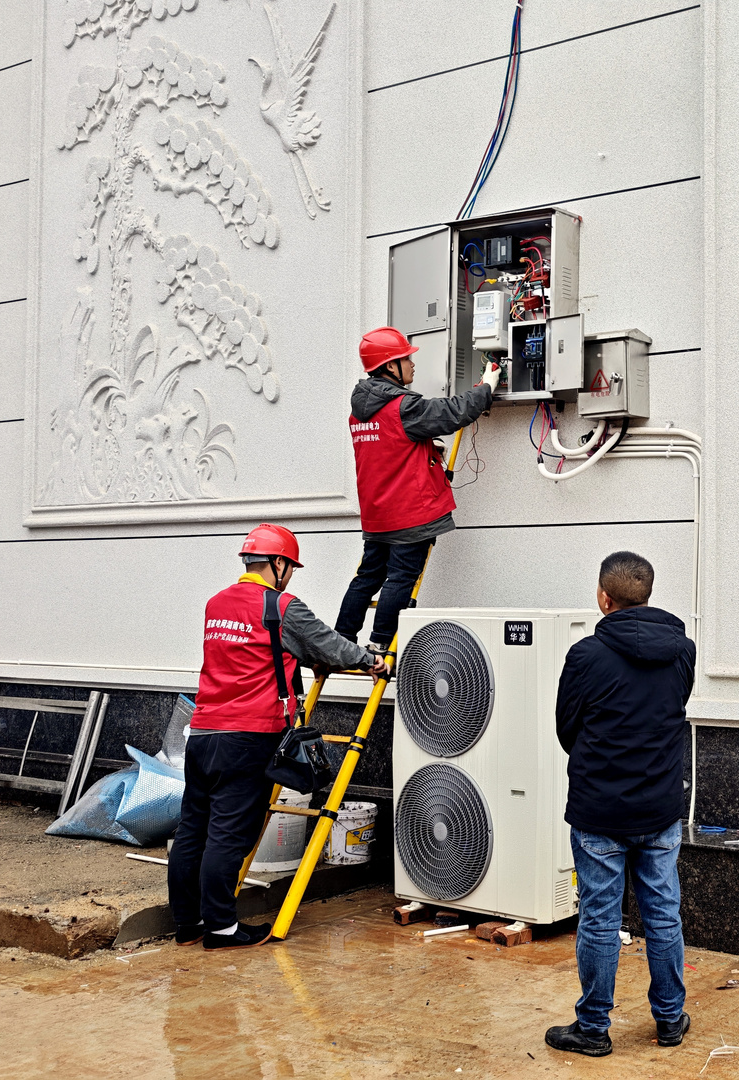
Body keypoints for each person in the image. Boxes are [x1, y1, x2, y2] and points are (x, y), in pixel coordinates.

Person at [170, 524, 390, 950]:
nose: (290, 574)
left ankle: (188, 923)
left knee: (193, 829)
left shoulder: (216, 604)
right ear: (279, 564)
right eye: (290, 566)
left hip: (203, 733)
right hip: (248, 737)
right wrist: (371, 661)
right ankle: (220, 929)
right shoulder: (282, 606)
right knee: (229, 835)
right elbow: (328, 647)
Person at [545, 552, 698, 1057]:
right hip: (658, 809)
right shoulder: (682, 651)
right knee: (663, 916)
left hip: (600, 811)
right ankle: (671, 1020)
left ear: (603, 597)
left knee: (599, 919)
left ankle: (592, 1029)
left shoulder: (586, 655)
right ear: (646, 594)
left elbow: (568, 728)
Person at [335, 326, 502, 655]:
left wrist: (425, 449)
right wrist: (488, 385)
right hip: (410, 515)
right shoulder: (404, 407)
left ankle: (340, 642)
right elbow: (455, 411)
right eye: (405, 359)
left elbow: (389, 449)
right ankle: (380, 647)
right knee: (401, 578)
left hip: (377, 514)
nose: (413, 365)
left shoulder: (359, 410)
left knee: (367, 577)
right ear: (389, 367)